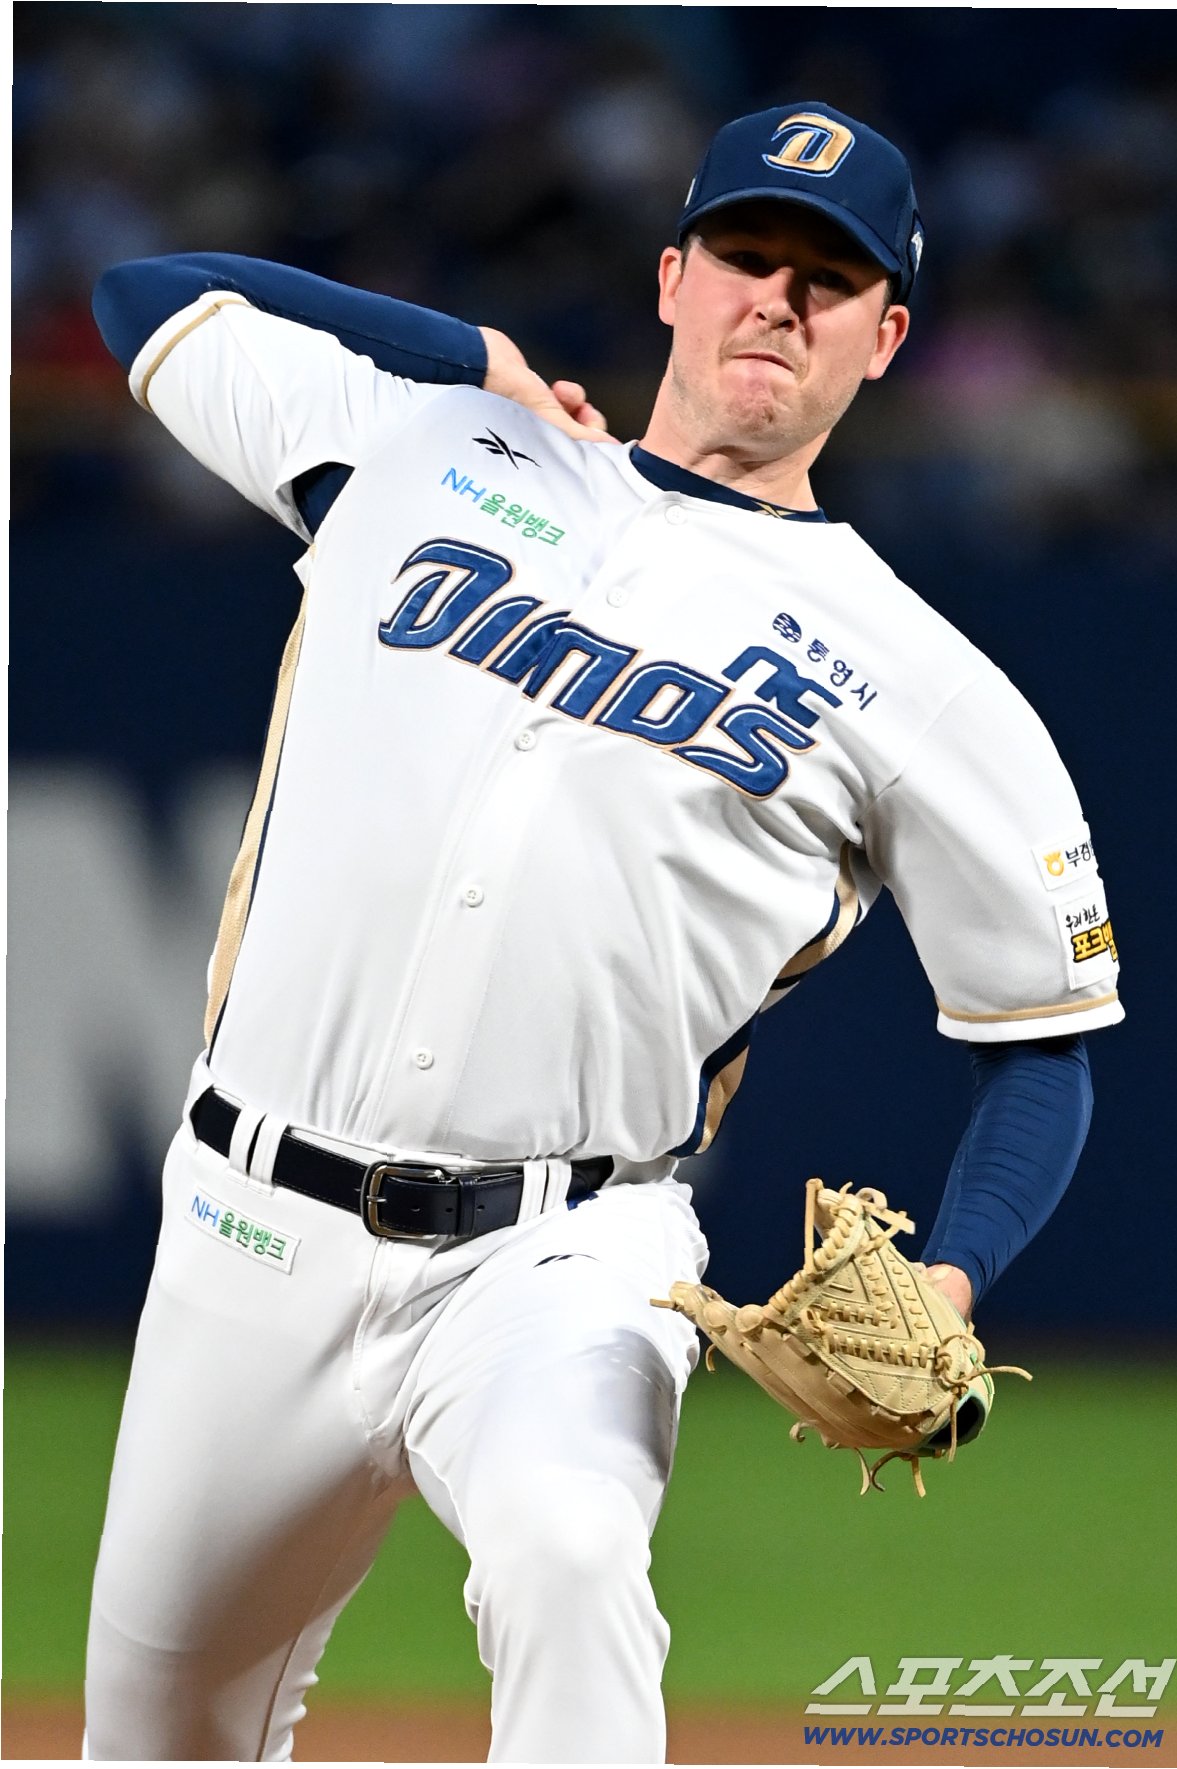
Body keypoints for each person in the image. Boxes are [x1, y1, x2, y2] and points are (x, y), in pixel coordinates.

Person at [85, 102, 1121, 1763]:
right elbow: (145, 297)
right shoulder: (421, 447)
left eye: (828, 278)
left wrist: (953, 1270)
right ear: (669, 279)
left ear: (884, 338)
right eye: (744, 253)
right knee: (156, 1733)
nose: (776, 298)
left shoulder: (927, 684)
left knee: (570, 1556)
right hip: (247, 1225)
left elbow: (1045, 1047)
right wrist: (469, 353)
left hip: (561, 1252)